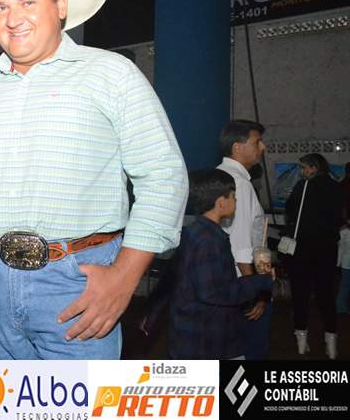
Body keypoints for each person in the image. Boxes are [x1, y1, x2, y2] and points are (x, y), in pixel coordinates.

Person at [0, 0, 187, 359]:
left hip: (79, 281)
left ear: (61, 5)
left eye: (28, 2)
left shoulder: (112, 74)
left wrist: (125, 277)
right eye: (1, 7)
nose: (13, 18)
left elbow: (163, 177)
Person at [141, 169, 274, 359]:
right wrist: (262, 281)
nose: (236, 201)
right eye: (234, 196)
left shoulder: (193, 233)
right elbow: (214, 292)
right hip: (206, 339)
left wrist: (153, 310)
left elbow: (171, 277)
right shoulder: (209, 241)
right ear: (221, 203)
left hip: (190, 335)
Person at [216, 120, 272, 360]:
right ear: (237, 148)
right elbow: (241, 246)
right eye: (257, 142)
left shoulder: (219, 176)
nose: (263, 147)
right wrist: (256, 293)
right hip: (242, 284)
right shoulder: (239, 184)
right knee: (249, 351)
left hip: (223, 282)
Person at [285, 153, 344, 359]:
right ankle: (331, 344)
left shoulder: (304, 186)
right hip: (327, 248)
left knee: (300, 293)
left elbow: (290, 210)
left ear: (314, 167)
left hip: (303, 248)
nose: (302, 172)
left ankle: (301, 343)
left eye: (304, 168)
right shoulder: (336, 187)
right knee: (326, 294)